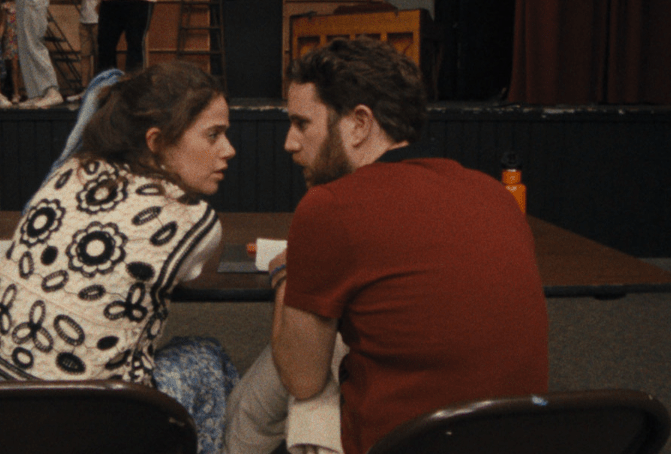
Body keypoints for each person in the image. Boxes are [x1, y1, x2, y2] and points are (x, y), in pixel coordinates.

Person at [222, 38, 549, 454]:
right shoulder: (493, 193)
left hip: (404, 444)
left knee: (295, 379)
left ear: (359, 124)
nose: (289, 142)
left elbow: (301, 377)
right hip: (511, 440)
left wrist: (287, 272)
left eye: (302, 124)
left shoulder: (330, 206)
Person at [0, 60, 239, 454]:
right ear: (156, 141)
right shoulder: (191, 221)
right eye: (214, 135)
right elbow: (194, 270)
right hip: (91, 424)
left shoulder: (68, 172)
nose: (229, 149)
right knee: (209, 357)